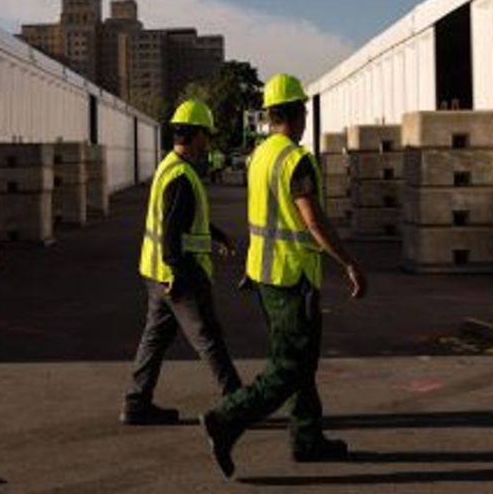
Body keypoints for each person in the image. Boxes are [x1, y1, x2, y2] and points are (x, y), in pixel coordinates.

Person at [198, 73, 369, 478]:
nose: (307, 118)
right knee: (290, 367)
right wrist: (348, 262)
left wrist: (251, 268)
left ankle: (307, 439)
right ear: (296, 114)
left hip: (265, 276)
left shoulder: (259, 156)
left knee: (298, 361)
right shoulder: (294, 160)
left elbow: (261, 216)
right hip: (291, 278)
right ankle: (225, 419)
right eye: (305, 111)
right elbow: (311, 220)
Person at [121, 99, 243, 425]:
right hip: (178, 273)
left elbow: (181, 221)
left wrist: (216, 235)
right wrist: (177, 272)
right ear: (195, 135)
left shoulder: (170, 166)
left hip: (155, 272)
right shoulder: (182, 177)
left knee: (155, 337)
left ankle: (136, 402)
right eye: (207, 134)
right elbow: (172, 231)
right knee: (208, 336)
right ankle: (239, 402)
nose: (209, 142)